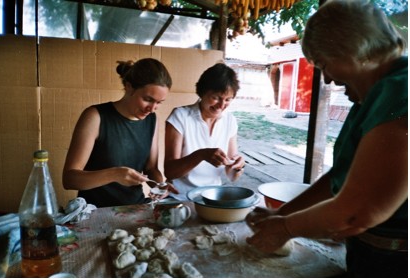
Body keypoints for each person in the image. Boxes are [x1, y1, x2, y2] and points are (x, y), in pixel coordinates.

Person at [245, 0, 408, 277]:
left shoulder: (401, 94)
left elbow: (356, 212)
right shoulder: (372, 96)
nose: (328, 79)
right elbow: (342, 177)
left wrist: (286, 228)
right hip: (370, 253)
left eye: (323, 64)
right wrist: (282, 214)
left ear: (351, 49)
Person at [62, 58, 178, 208]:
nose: (152, 108)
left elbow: (151, 169)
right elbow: (70, 179)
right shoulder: (95, 116)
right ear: (129, 87)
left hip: (135, 207)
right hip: (96, 210)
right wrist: (115, 174)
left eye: (159, 102)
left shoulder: (152, 120)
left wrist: (160, 185)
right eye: (148, 99)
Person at [164, 63, 246, 200]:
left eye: (227, 100)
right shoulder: (180, 116)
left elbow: (231, 176)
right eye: (216, 97)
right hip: (180, 197)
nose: (221, 105)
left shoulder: (230, 121)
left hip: (213, 197)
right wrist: (201, 155)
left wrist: (238, 167)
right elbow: (170, 172)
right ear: (202, 92)